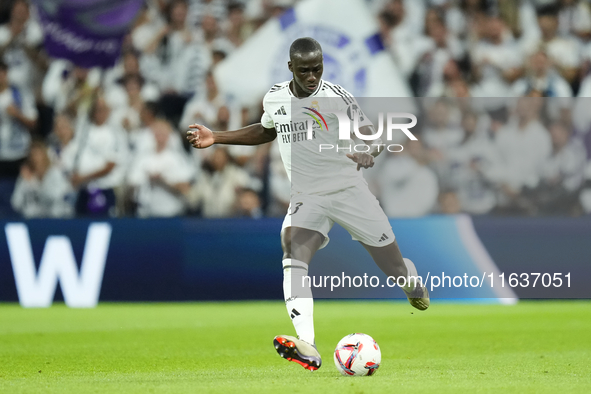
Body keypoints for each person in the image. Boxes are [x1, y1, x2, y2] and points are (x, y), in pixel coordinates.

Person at [186, 37, 429, 371]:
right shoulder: (275, 98)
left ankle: (409, 280)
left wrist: (367, 151)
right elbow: (266, 130)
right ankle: (308, 346)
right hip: (307, 196)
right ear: (291, 68)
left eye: (317, 68)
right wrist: (217, 137)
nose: (312, 76)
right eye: (304, 70)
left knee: (394, 269)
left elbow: (372, 133)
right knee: (291, 249)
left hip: (348, 190)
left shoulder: (336, 97)